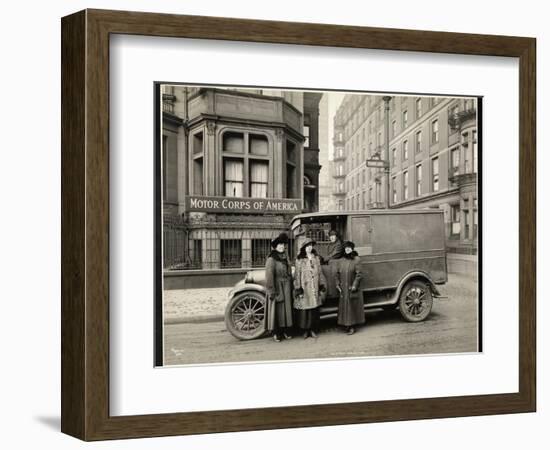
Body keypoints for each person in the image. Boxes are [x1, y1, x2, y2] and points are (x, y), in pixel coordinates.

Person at [293, 239, 327, 339]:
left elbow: (320, 272)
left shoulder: (316, 258)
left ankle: (313, 329)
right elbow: (297, 275)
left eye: (311, 246)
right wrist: (298, 288)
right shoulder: (299, 259)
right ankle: (305, 330)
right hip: (305, 287)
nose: (309, 248)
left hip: (314, 287)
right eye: (307, 246)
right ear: (304, 248)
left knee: (313, 310)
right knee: (305, 310)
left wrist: (321, 285)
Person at [265, 233, 293, 342]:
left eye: (283, 245)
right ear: (275, 246)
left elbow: (289, 270)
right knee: (277, 311)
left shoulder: (285, 256)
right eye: (279, 245)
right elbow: (269, 275)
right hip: (277, 287)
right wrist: (271, 290)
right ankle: (277, 332)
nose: (282, 246)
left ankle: (286, 330)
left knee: (286, 311)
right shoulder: (271, 259)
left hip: (286, 286)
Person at [336, 241, 365, 335]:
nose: (347, 249)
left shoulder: (356, 259)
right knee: (344, 308)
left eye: (349, 248)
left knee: (351, 308)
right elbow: (337, 273)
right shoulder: (341, 260)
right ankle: (346, 325)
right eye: (346, 248)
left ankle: (352, 326)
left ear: (352, 249)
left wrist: (354, 286)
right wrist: (337, 284)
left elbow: (359, 274)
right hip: (343, 288)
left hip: (351, 288)